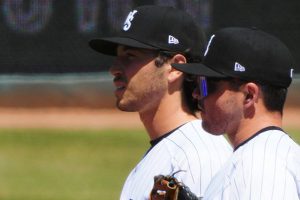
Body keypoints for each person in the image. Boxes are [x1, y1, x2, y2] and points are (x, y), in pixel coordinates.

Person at [89, 5, 232, 200]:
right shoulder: (166, 151)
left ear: (175, 67)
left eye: (130, 56)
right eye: (118, 56)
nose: (114, 69)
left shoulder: (197, 156)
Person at [172, 27, 300, 199]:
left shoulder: (259, 167)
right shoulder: (271, 155)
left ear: (249, 95)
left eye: (205, 84)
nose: (196, 93)